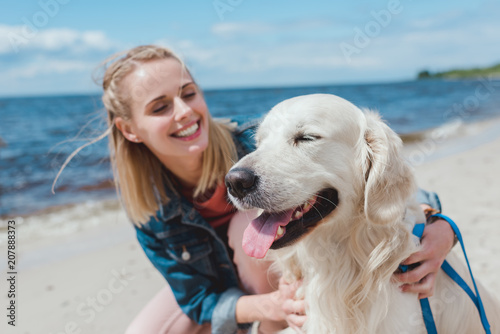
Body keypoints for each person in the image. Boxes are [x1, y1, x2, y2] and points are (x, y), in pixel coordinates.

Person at [92, 45, 455, 334]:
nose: (184, 112)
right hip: (233, 291)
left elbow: (372, 176)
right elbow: (196, 298)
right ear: (130, 129)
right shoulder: (148, 204)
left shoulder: (259, 139)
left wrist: (441, 226)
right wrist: (262, 308)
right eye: (160, 107)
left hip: (280, 280)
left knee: (243, 224)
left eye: (188, 93)